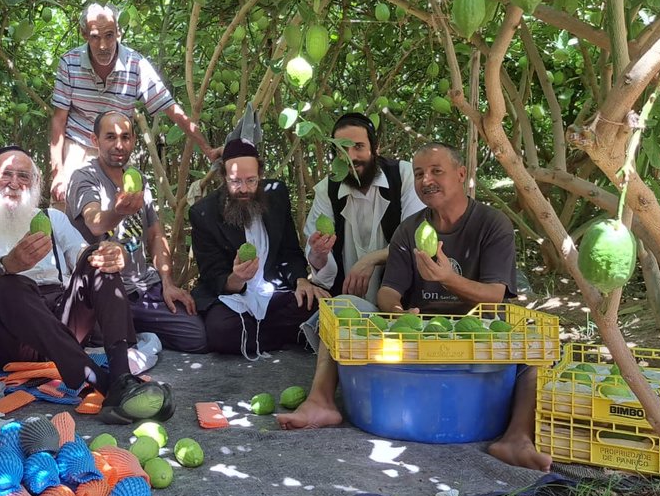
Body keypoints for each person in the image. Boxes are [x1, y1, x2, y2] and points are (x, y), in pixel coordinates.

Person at [0, 146, 175, 425]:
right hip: (2, 330)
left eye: (23, 176)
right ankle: (100, 381)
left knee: (99, 260)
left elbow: (83, 254)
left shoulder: (53, 218)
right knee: (9, 285)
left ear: (35, 184)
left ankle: (120, 376)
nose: (15, 182)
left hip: (58, 319)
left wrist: (108, 252)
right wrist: (7, 263)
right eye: (6, 174)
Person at [375, 142, 550, 472]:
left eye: (436, 171)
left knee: (537, 350)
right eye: (419, 174)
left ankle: (515, 438)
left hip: (482, 333)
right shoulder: (408, 229)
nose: (427, 180)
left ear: (461, 174)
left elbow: (495, 295)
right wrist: (399, 314)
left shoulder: (492, 224)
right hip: (423, 336)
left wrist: (448, 279)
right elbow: (388, 291)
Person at [279, 113, 423, 429]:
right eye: (342, 149)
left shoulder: (404, 176)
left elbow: (417, 241)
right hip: (357, 303)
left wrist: (370, 259)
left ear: (375, 147)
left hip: (405, 300)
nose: (351, 156)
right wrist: (318, 256)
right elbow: (325, 277)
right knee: (337, 308)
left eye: (358, 146)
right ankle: (321, 402)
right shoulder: (326, 191)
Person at [49, 3, 219, 203]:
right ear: (84, 34)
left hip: (116, 148)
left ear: (119, 32)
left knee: (118, 214)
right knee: (66, 210)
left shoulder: (135, 64)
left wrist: (207, 148)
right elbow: (59, 120)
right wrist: (58, 173)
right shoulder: (69, 62)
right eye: (95, 36)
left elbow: (172, 110)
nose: (103, 45)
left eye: (109, 35)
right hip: (78, 145)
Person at [66, 110, 206, 353]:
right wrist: (119, 211)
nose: (119, 145)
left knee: (196, 337)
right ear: (95, 140)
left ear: (133, 141)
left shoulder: (139, 178)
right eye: (110, 137)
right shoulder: (84, 177)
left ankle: (134, 332)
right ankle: (125, 335)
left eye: (126, 137)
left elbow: (155, 235)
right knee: (103, 341)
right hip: (105, 293)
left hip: (143, 288)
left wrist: (167, 282)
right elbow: (95, 222)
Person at [189, 138, 327, 358]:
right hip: (232, 297)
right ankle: (292, 335)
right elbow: (213, 276)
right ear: (224, 178)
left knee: (322, 306)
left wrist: (301, 280)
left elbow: (289, 250)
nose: (244, 189)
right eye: (235, 181)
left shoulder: (276, 194)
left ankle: (260, 336)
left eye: (251, 180)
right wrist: (238, 277)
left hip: (273, 291)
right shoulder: (203, 213)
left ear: (260, 175)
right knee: (220, 331)